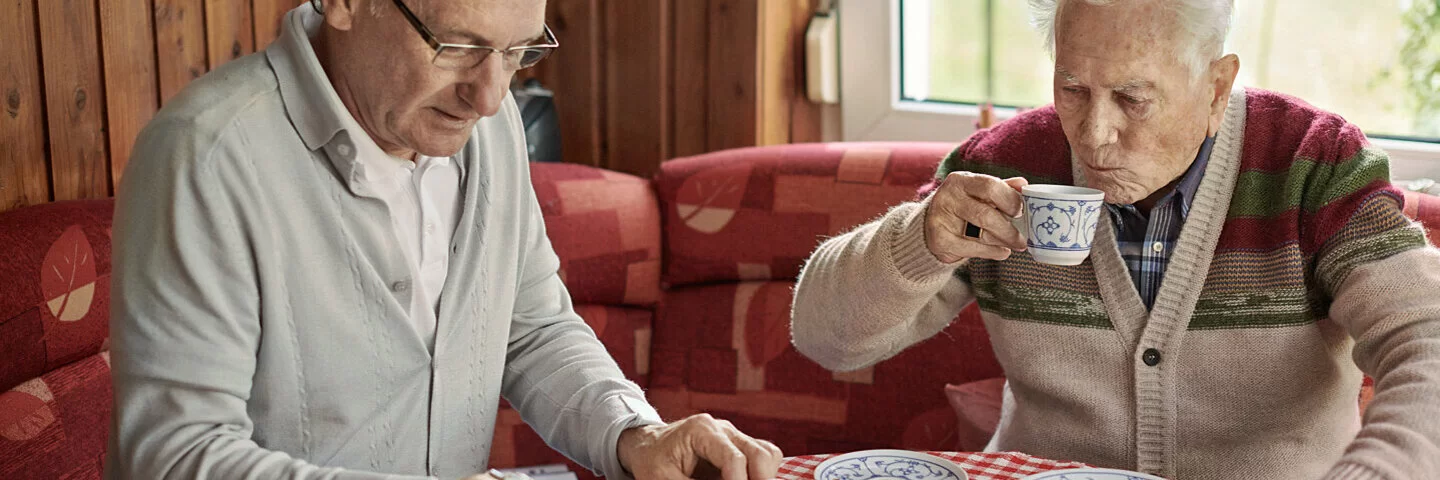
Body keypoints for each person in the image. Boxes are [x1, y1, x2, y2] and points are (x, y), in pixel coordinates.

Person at [105, 1, 782, 479]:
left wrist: (637, 434)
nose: (488, 97)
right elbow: (173, 455)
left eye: (517, 53)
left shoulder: (489, 126)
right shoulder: (207, 157)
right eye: (457, 45)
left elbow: (533, 328)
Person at [790, 0, 1440, 478]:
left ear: (1216, 88)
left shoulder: (1312, 166)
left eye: (1132, 99)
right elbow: (824, 337)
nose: (1093, 134)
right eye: (1072, 89)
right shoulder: (1003, 166)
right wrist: (918, 243)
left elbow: (1428, 343)